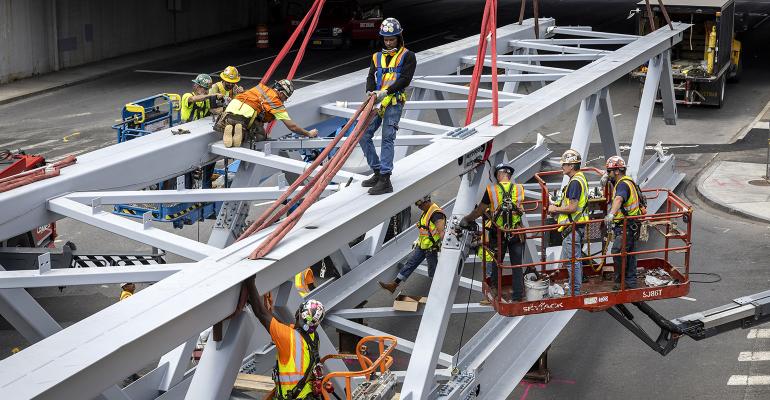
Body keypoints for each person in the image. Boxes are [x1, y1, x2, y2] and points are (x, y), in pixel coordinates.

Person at [360, 17, 417, 195]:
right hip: (378, 102)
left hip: (393, 101)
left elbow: (405, 79)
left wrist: (386, 91)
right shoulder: (376, 57)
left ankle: (385, 178)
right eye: (386, 39)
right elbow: (371, 76)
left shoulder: (408, 56)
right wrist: (370, 91)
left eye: (392, 39)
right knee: (363, 135)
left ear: (398, 38)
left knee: (387, 138)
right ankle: (377, 171)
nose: (389, 42)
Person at [461, 163, 525, 302]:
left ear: (499, 174)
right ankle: (518, 296)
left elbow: (479, 211)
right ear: (509, 175)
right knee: (517, 265)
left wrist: (466, 219)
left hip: (499, 234)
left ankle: (496, 292)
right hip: (516, 233)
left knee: (497, 263)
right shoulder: (519, 189)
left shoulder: (492, 190)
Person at [250, 287, 325, 400]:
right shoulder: (314, 337)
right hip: (308, 395)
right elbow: (281, 326)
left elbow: (260, 313)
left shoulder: (288, 338)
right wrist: (268, 311)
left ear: (297, 314)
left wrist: (249, 283)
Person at [214, 79, 318, 148]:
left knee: (233, 121)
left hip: (230, 108)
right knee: (260, 136)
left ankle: (229, 127)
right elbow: (292, 127)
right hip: (246, 115)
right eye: (285, 97)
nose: (285, 100)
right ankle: (240, 133)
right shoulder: (276, 102)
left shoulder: (260, 88)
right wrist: (308, 133)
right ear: (281, 93)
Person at [379, 195, 445, 293]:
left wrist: (443, 247)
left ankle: (438, 290)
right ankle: (394, 285)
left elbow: (442, 233)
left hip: (431, 248)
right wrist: (418, 240)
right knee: (410, 263)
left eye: (420, 205)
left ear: (426, 202)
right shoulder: (426, 211)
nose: (419, 208)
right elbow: (425, 229)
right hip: (422, 246)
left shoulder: (436, 214)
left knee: (433, 270)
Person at [547, 149, 589, 295]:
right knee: (574, 260)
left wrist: (555, 208)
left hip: (573, 228)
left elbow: (572, 207)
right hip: (576, 227)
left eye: (564, 164)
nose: (562, 166)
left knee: (573, 262)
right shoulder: (579, 178)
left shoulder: (575, 183)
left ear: (571, 166)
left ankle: (574, 292)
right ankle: (574, 288)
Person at [603, 155, 643, 290]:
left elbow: (619, 199)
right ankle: (630, 282)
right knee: (630, 254)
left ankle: (621, 282)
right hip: (632, 225)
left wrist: (611, 214)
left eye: (609, 171)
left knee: (617, 251)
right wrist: (607, 179)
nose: (607, 174)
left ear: (617, 171)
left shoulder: (623, 185)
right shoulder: (627, 181)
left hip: (626, 226)